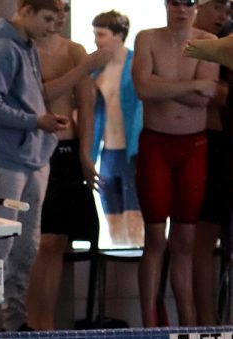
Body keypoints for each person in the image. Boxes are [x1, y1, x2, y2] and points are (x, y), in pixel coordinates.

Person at [0, 0, 69, 334]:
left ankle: (15, 320)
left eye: (58, 19)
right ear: (25, 10)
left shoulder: (27, 49)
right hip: (5, 158)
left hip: (34, 157)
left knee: (25, 247)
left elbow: (30, 97)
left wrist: (41, 128)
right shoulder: (1, 50)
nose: (53, 26)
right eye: (48, 18)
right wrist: (35, 121)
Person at [132, 0, 218, 328]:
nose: (181, 10)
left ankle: (189, 322)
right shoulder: (147, 38)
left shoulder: (207, 42)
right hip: (156, 145)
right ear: (166, 5)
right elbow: (142, 88)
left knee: (184, 242)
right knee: (154, 239)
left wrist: (162, 87)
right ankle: (150, 327)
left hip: (193, 148)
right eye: (175, 3)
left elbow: (205, 97)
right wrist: (193, 83)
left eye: (189, 3)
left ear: (197, 7)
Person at [25, 0, 103, 331]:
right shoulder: (20, 49)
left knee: (57, 242)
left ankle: (47, 323)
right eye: (54, 11)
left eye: (65, 11)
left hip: (68, 151)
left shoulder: (74, 50)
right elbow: (33, 97)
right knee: (37, 241)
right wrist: (83, 69)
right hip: (34, 152)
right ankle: (32, 321)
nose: (59, 18)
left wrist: (86, 154)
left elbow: (86, 106)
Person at [191, 0, 232, 326]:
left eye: (228, 10)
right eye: (218, 7)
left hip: (221, 144)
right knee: (201, 240)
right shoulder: (188, 44)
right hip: (202, 145)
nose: (222, 16)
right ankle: (206, 322)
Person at [90, 10, 144, 248]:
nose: (96, 40)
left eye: (101, 34)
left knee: (135, 225)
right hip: (108, 154)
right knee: (113, 225)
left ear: (118, 35)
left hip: (132, 152)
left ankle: (133, 283)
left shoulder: (137, 65)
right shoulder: (96, 70)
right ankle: (115, 281)